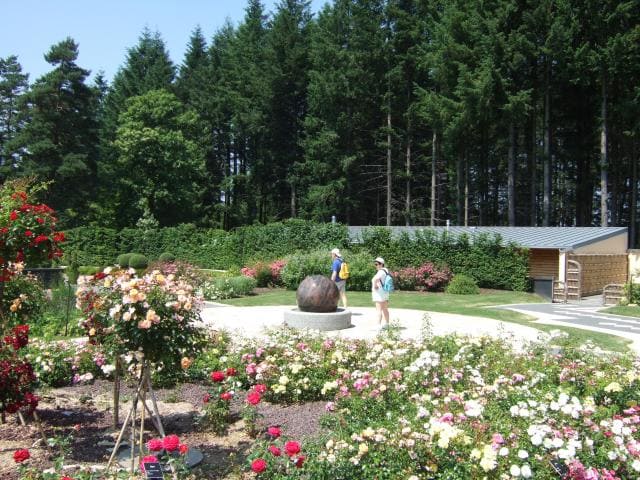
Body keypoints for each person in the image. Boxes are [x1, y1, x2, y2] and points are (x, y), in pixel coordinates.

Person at [371, 256, 390, 330]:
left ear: (381, 264)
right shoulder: (386, 270)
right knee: (385, 308)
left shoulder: (381, 271)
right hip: (385, 292)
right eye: (375, 264)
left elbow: (376, 279)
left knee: (378, 309)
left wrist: (375, 285)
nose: (375, 266)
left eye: (377, 264)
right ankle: (387, 324)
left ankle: (378, 325)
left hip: (379, 293)